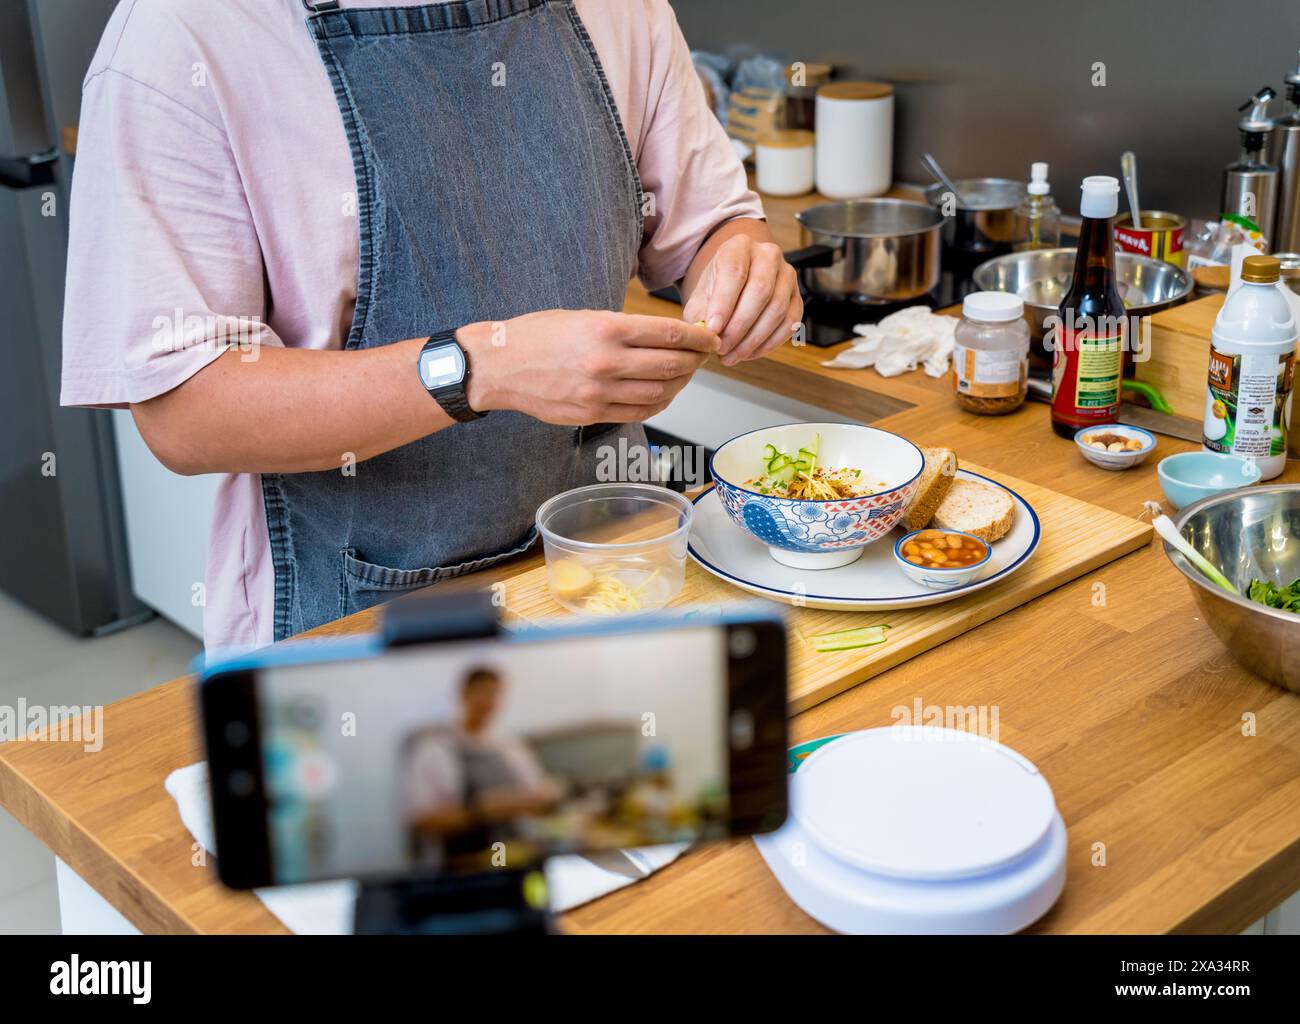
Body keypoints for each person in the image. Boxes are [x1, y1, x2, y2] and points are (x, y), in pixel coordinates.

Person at [60, 0, 801, 650]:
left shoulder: (620, 8)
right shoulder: (182, 36)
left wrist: (742, 261)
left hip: (608, 571)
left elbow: (713, 227)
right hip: (355, 618)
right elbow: (187, 415)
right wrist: (482, 368)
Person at [401, 667, 556, 869]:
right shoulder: (433, 750)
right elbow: (418, 819)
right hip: (461, 867)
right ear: (464, 694)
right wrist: (480, 812)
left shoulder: (510, 747)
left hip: (514, 859)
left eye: (495, 694)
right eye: (482, 692)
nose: (489, 701)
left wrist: (543, 798)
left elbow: (539, 794)